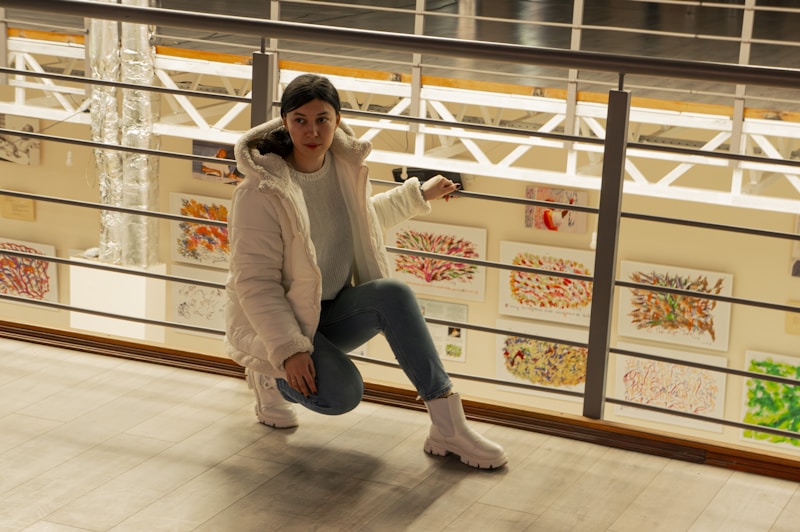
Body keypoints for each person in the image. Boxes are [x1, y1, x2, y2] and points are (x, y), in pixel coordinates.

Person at [225, 73, 507, 469]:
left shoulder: (344, 166)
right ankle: (272, 378)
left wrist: (417, 194)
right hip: (282, 322)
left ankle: (448, 426)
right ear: (285, 123)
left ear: (337, 120)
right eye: (301, 120)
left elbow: (359, 219)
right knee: (342, 394)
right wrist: (288, 351)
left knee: (392, 293)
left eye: (322, 119)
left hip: (331, 309)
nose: (312, 130)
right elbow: (255, 282)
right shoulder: (260, 192)